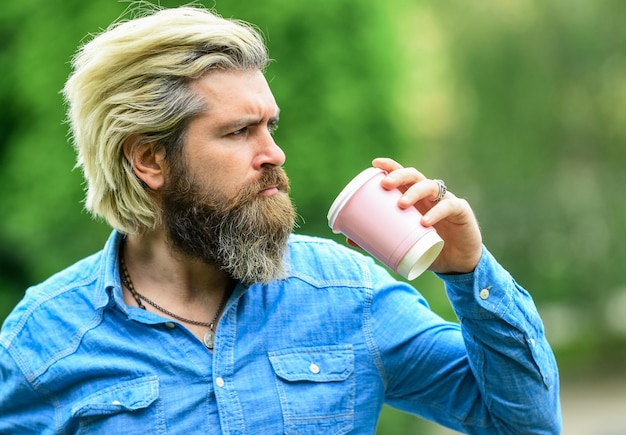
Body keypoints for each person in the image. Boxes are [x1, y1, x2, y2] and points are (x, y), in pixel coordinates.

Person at [0, 5, 561, 434]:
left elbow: (523, 422)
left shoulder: (350, 295)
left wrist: (469, 271)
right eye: (239, 131)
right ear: (149, 159)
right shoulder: (43, 341)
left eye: (270, 126)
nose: (274, 153)